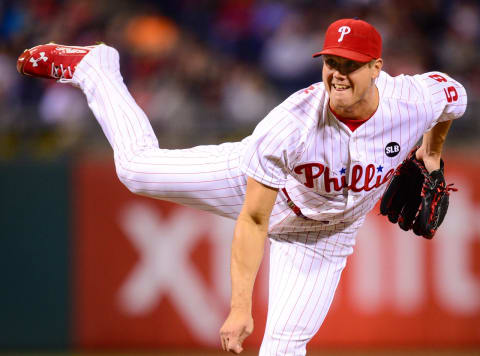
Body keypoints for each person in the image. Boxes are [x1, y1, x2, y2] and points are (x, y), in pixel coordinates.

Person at [17, 18, 467, 355]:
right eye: (331, 62)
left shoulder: (412, 99)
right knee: (135, 169)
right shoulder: (290, 125)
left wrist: (430, 154)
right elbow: (254, 217)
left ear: (376, 68)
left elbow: (452, 98)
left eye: (350, 65)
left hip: (324, 238)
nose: (337, 74)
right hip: (256, 185)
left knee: (283, 349)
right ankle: (98, 68)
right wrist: (239, 307)